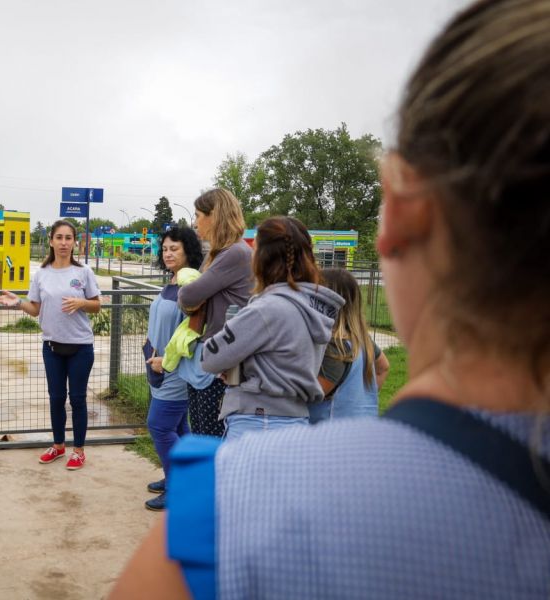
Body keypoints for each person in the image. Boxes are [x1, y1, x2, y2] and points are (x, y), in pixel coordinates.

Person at [112, 1, 550, 597]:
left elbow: (217, 348)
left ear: (399, 215)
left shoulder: (244, 503)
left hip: (259, 429)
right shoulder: (319, 304)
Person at [199, 216, 342, 440]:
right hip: (294, 419)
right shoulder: (311, 306)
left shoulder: (266, 310)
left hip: (258, 422)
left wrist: (237, 365)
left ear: (264, 257)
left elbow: (209, 357)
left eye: (254, 248)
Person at [0, 220, 102, 470]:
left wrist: (81, 303)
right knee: (55, 398)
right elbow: (35, 309)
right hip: (52, 346)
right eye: (59, 238)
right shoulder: (41, 274)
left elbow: (97, 305)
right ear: (51, 240)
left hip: (80, 347)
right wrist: (18, 303)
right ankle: (58, 445)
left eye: (68, 238)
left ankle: (79, 450)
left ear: (75, 242)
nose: (64, 243)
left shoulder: (83, 272)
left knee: (77, 399)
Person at [176, 189, 253, 437]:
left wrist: (191, 298)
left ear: (214, 216)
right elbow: (190, 296)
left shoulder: (234, 253)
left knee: (210, 438)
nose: (195, 221)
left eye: (198, 215)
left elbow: (187, 295)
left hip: (223, 359)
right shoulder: (217, 253)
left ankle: (213, 479)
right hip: (211, 353)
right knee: (199, 431)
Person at [143, 225, 202, 511]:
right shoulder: (172, 281)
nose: (168, 253)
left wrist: (164, 358)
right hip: (157, 365)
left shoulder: (190, 286)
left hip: (173, 368)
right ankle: (192, 477)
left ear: (187, 251)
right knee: (179, 426)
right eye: (165, 248)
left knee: (159, 425)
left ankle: (178, 486)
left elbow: (193, 331)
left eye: (174, 248)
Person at [309, 268, 390, 423]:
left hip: (331, 438)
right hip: (362, 432)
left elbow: (314, 395)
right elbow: (383, 367)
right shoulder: (361, 340)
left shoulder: (335, 348)